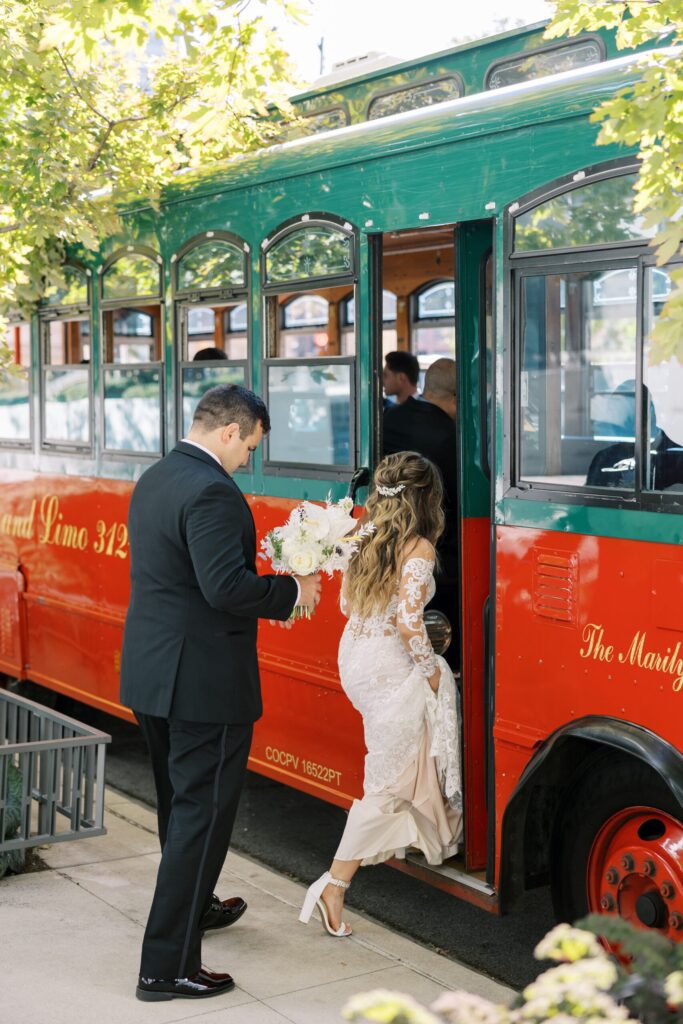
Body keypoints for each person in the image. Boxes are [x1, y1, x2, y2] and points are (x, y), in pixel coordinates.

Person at [120, 384, 321, 1002]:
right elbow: (225, 588)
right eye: (250, 447)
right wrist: (294, 592)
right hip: (202, 686)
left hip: (154, 674)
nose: (247, 461)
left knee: (180, 814)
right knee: (200, 822)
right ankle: (166, 968)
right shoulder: (211, 489)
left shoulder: (157, 475)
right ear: (231, 430)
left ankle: (194, 908)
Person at [299, 452, 462, 937]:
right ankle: (334, 883)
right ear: (427, 498)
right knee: (388, 782)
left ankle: (404, 838)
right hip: (391, 664)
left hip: (356, 659)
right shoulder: (420, 549)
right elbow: (410, 621)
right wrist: (432, 670)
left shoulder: (362, 536)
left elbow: (349, 602)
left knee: (399, 764)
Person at [383, 358, 459, 668]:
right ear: (456, 397)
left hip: (388, 544)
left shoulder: (390, 419)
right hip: (439, 557)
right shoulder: (451, 436)